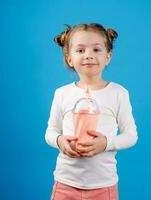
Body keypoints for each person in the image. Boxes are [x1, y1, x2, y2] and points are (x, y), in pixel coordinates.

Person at [45, 23, 138, 200]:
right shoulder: (62, 93)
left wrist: (106, 143)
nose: (88, 55)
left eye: (96, 49)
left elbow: (131, 136)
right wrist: (59, 140)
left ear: (108, 57)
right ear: (69, 59)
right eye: (80, 50)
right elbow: (50, 132)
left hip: (103, 185)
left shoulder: (119, 93)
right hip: (65, 183)